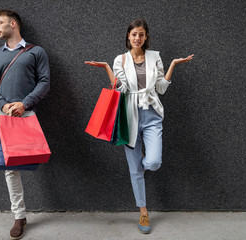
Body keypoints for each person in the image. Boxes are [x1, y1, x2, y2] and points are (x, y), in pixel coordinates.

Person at [85, 18, 193, 234]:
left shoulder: (155, 57)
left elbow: (161, 88)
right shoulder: (121, 59)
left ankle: (140, 168)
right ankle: (143, 211)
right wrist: (107, 68)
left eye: (141, 34)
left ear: (146, 37)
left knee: (153, 162)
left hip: (152, 115)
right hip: (129, 117)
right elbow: (121, 88)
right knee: (135, 170)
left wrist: (172, 65)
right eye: (134, 34)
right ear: (128, 36)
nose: (137, 38)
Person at [0, 9, 50, 240]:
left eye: (0, 22)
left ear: (13, 24)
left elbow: (44, 82)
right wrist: (4, 104)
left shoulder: (36, 52)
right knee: (10, 168)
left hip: (27, 113)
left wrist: (24, 103)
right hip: (2, 115)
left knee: (36, 159)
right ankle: (19, 216)